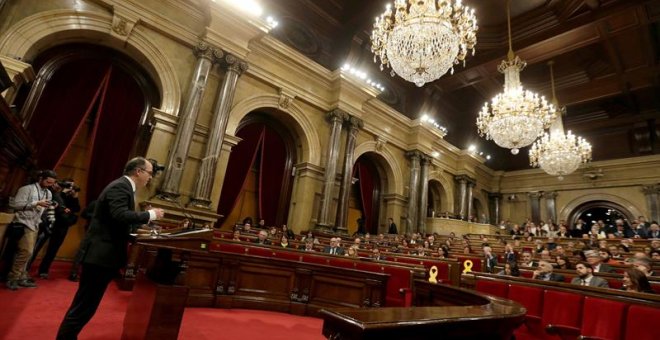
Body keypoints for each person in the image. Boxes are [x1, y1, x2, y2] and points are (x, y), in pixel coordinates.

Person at [56, 157, 164, 339]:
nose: (150, 178)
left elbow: (115, 220)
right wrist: (150, 214)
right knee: (83, 306)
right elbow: (120, 214)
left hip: (103, 256)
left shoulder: (125, 187)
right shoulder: (120, 186)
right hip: (99, 256)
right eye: (149, 173)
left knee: (86, 305)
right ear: (138, 171)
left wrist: (138, 229)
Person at [5, 170, 57, 290]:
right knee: (25, 252)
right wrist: (36, 203)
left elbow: (45, 208)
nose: (50, 184)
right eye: (48, 181)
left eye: (52, 183)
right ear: (41, 178)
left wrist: (51, 206)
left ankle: (22, 277)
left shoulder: (48, 193)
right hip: (22, 222)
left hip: (35, 223)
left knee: (29, 253)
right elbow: (16, 205)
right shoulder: (26, 188)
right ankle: (13, 278)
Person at [31, 179, 81, 279]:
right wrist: (63, 193)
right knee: (37, 246)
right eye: (69, 185)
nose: (71, 188)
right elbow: (56, 204)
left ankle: (43, 270)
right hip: (50, 223)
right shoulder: (55, 193)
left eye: (72, 186)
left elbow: (77, 209)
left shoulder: (71, 197)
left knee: (53, 250)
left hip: (62, 226)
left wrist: (75, 197)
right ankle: (26, 267)